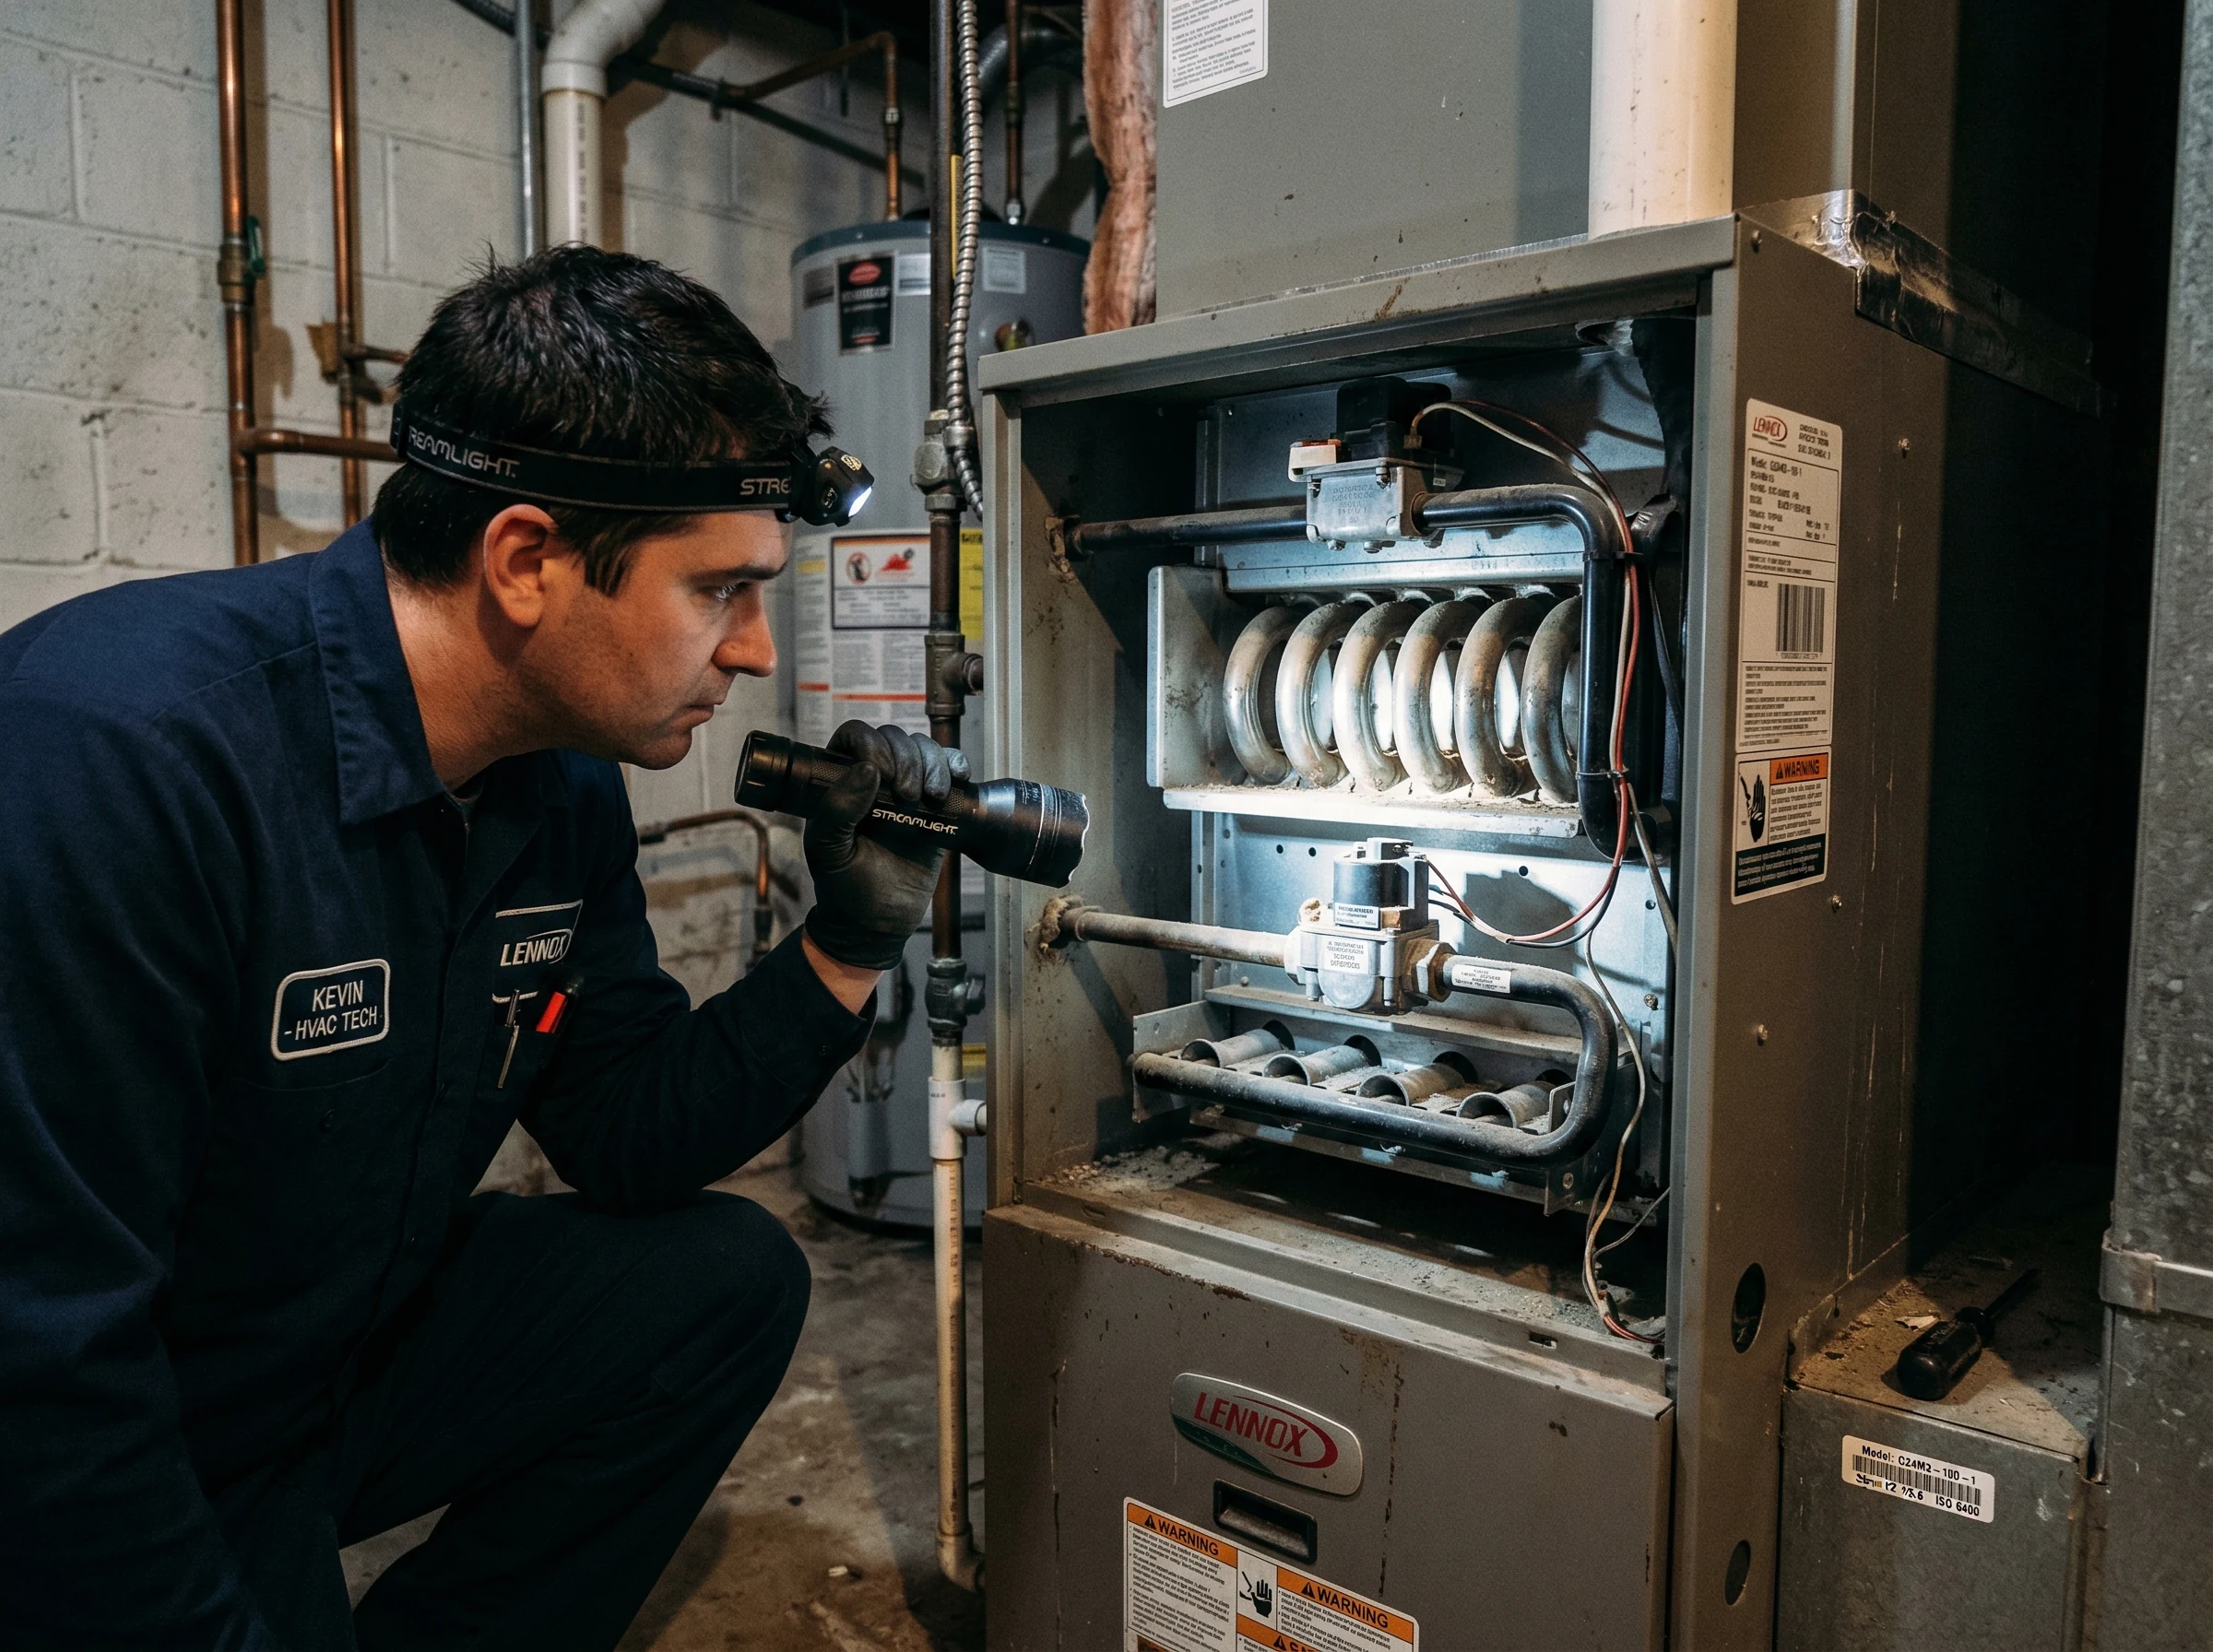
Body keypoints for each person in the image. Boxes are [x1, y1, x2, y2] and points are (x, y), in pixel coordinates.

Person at [0, 246, 960, 1650]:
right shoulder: (113, 762)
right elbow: (44, 1356)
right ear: (525, 562)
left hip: (320, 1358)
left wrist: (850, 944)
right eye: (719, 592)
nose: (754, 652)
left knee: (720, 1286)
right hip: (117, 1421)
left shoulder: (551, 783)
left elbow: (626, 1132)